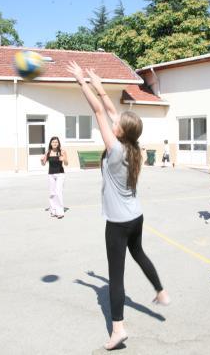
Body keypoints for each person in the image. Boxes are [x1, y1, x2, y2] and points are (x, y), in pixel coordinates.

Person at [66, 61, 170, 350]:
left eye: (117, 124)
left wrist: (80, 82)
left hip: (119, 222)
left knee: (116, 278)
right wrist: (97, 82)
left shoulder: (114, 150)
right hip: (136, 216)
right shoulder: (134, 147)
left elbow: (100, 111)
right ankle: (160, 292)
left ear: (120, 131)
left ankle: (118, 329)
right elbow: (110, 110)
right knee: (138, 253)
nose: (114, 122)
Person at [41, 136, 68, 219]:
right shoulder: (48, 152)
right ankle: (53, 210)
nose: (54, 144)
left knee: (58, 191)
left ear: (58, 143)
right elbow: (43, 163)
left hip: (60, 174)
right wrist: (41, 160)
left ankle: (60, 212)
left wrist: (64, 159)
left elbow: (67, 164)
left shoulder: (62, 151)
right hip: (51, 174)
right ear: (50, 143)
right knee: (52, 193)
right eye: (53, 142)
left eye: (56, 142)